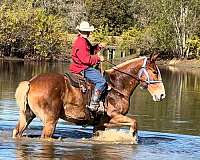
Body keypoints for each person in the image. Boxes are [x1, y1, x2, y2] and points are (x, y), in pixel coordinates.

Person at [69, 21, 107, 112]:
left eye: (87, 31)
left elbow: (89, 51)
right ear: (80, 32)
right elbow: (85, 59)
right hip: (82, 68)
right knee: (101, 81)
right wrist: (98, 58)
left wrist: (98, 47)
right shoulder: (81, 42)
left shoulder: (83, 40)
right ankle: (94, 104)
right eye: (85, 31)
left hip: (79, 66)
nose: (87, 33)